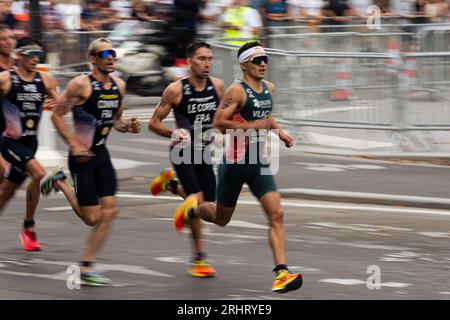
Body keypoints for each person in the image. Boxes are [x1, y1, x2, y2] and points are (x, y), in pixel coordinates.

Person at [172, 41, 302, 293]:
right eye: (257, 60)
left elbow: (265, 115)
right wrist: (251, 127)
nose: (263, 63)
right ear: (244, 64)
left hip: (260, 164)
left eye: (265, 59)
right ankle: (192, 208)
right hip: (234, 164)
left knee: (277, 214)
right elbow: (218, 121)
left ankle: (281, 272)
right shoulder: (235, 91)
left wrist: (280, 133)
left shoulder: (268, 88)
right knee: (221, 219)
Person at [40, 38, 141, 285]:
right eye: (105, 53)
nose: (111, 57)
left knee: (110, 212)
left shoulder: (119, 86)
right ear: (92, 58)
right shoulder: (80, 85)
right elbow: (57, 115)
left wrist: (128, 125)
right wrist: (73, 145)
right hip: (82, 158)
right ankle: (61, 182)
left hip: (102, 155)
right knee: (92, 218)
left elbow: (117, 121)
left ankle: (85, 267)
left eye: (113, 53)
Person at [149, 41, 224, 277]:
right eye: (202, 58)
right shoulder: (176, 90)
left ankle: (171, 184)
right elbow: (153, 123)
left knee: (212, 212)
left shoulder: (218, 86)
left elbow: (225, 117)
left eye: (210, 59)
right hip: (182, 152)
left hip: (204, 153)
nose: (207, 63)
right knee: (197, 204)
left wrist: (222, 132)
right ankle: (199, 259)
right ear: (189, 61)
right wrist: (173, 132)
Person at [0, 37, 59, 251]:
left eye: (39, 55)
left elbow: (62, 105)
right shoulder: (6, 79)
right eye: (31, 54)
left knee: (7, 192)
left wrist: (56, 104)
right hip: (10, 142)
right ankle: (29, 226)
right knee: (38, 173)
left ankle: (27, 229)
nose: (36, 59)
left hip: (30, 143)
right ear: (19, 55)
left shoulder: (46, 80)